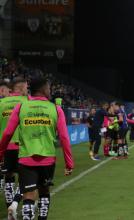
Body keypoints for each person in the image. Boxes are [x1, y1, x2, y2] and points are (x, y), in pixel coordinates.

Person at [0, 77, 74, 219]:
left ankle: (12, 204)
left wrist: (0, 154)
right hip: (47, 159)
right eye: (48, 87)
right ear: (43, 89)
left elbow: (8, 133)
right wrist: (69, 163)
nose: (50, 90)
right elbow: (64, 138)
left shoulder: (21, 107)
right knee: (44, 191)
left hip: (26, 159)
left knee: (28, 194)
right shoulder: (56, 109)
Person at [0, 77, 28, 219]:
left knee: (8, 177)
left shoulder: (1, 103)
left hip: (5, 147)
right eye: (26, 87)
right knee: (26, 178)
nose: (27, 89)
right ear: (21, 87)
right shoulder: (27, 102)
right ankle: (15, 203)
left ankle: (9, 207)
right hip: (23, 147)